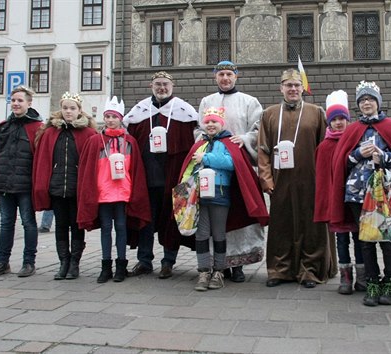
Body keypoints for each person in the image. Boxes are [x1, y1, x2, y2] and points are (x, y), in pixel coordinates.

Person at [329, 81, 391, 306]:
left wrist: (384, 157)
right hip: (357, 194)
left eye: (370, 99)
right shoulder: (353, 130)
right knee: (366, 240)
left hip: (385, 193)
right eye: (362, 100)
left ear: (378, 102)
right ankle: (372, 284)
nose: (366, 103)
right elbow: (342, 163)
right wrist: (357, 153)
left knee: (386, 240)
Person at [180, 107, 269, 291]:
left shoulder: (228, 142)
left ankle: (219, 271)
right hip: (200, 198)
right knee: (202, 234)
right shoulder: (200, 143)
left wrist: (207, 158)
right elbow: (189, 167)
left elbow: (230, 163)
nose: (211, 125)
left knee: (220, 234)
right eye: (208, 122)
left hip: (220, 195)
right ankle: (204, 271)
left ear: (221, 124)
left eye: (214, 122)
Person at [258, 68, 332, 288]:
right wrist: (266, 178)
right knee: (281, 225)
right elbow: (263, 149)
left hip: (310, 179)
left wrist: (323, 181)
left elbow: (325, 148)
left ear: (303, 88)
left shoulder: (316, 112)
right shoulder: (269, 114)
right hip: (280, 180)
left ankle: (310, 270)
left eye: (296, 85)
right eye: (288, 85)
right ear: (281, 88)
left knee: (311, 226)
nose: (292, 89)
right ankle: (280, 269)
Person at [123, 71, 198, 278]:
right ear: (151, 86)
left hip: (174, 177)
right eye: (158, 84)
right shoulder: (139, 111)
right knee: (145, 219)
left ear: (172, 85)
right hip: (145, 177)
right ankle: (144, 260)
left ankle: (168, 261)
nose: (161, 88)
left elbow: (195, 143)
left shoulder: (184, 111)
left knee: (171, 220)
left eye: (165, 84)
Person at [197, 60, 265, 282]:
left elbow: (258, 129)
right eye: (221, 74)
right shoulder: (207, 101)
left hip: (239, 165)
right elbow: (199, 129)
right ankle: (218, 265)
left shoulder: (249, 101)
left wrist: (244, 139)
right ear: (215, 77)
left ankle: (238, 265)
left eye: (229, 74)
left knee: (239, 213)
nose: (225, 78)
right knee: (214, 219)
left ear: (236, 76)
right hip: (211, 171)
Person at [77, 97, 151, 283]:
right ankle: (105, 265)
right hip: (103, 192)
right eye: (108, 116)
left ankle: (121, 265)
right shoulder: (96, 141)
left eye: (114, 116)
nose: (110, 120)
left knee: (121, 228)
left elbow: (136, 169)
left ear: (121, 118)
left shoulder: (129, 141)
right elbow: (88, 169)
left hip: (123, 192)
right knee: (106, 229)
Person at [0, 86, 44, 278]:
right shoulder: (3, 127)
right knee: (6, 223)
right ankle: (2, 262)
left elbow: (40, 160)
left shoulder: (37, 128)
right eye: (13, 100)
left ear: (29, 103)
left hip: (25, 187)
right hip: (4, 185)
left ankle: (28, 262)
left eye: (20, 100)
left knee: (28, 223)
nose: (15, 103)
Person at [33, 92, 97, 280]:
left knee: (77, 226)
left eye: (72, 108)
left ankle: (75, 263)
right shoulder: (51, 132)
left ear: (79, 111)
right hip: (57, 187)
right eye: (65, 108)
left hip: (78, 189)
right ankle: (63, 262)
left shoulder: (88, 134)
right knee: (60, 226)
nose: (68, 111)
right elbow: (43, 159)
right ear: (61, 110)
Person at [314, 90, 366, 295]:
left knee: (359, 238)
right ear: (329, 122)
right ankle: (346, 277)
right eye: (334, 119)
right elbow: (322, 178)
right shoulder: (324, 146)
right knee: (342, 240)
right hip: (336, 200)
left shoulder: (356, 141)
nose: (338, 123)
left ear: (348, 120)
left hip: (354, 199)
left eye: (342, 119)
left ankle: (362, 276)